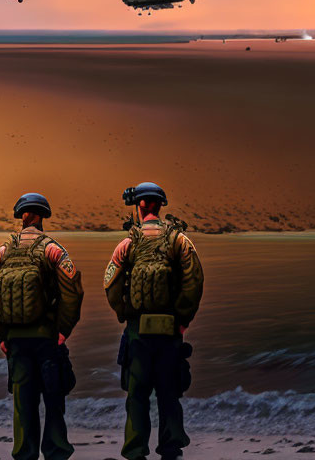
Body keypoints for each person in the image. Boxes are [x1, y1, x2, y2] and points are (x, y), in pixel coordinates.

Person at [0, 193, 84, 460]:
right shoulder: (53, 249)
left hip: (15, 341)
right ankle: (56, 452)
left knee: (23, 403)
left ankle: (25, 454)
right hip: (47, 338)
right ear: (43, 215)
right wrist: (63, 329)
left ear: (20, 216)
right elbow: (73, 291)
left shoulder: (2, 251)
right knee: (54, 399)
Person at [105, 182, 204, 460]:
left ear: (140, 205)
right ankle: (171, 449)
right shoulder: (179, 240)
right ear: (160, 205)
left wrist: (124, 312)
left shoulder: (128, 243)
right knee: (169, 393)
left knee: (137, 395)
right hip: (170, 330)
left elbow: (110, 282)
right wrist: (183, 319)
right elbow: (194, 280)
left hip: (138, 330)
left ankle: (136, 450)